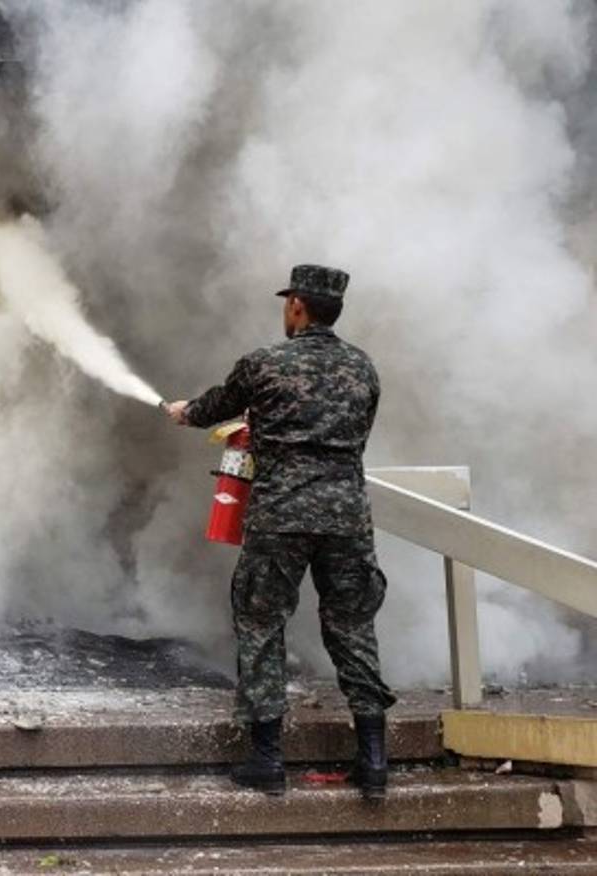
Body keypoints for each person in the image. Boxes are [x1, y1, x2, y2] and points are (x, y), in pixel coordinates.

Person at [164, 264, 396, 799]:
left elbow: (212, 409)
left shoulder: (264, 363)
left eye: (287, 301)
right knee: (353, 627)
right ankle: (374, 762)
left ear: (297, 305)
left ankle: (267, 760)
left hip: (281, 516)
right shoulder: (364, 368)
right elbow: (355, 436)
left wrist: (184, 412)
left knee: (262, 623)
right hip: (347, 518)